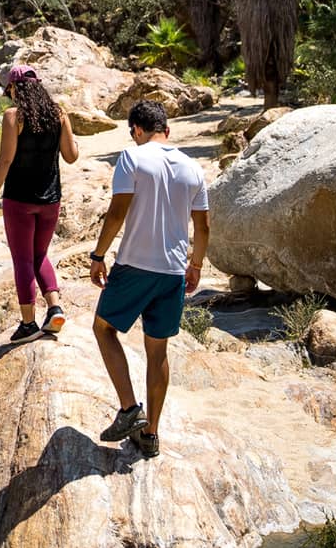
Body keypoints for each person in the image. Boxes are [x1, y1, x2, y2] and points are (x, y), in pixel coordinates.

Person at [88, 101, 209, 459]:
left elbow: (117, 210)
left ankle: (129, 411)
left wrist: (98, 255)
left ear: (137, 130)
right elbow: (202, 226)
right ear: (167, 131)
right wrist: (196, 265)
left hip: (135, 266)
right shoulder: (193, 167)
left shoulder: (132, 158)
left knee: (103, 328)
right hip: (173, 272)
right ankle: (151, 435)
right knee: (158, 352)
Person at [0, 63, 80, 343]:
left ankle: (28, 324)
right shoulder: (59, 114)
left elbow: (6, 160)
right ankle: (54, 308)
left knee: (22, 259)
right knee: (40, 255)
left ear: (13, 88)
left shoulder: (13, 117)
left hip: (19, 200)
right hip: (50, 199)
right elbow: (71, 156)